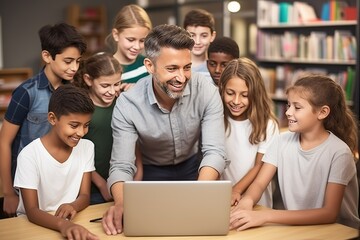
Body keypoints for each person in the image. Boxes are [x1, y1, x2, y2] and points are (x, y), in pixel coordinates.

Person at [102, 24, 228, 235]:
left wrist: (200, 194)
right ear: (150, 66)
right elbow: (122, 166)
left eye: (186, 67)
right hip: (151, 177)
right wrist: (123, 203)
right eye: (171, 69)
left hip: (196, 172)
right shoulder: (127, 104)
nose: (181, 77)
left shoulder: (206, 90)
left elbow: (215, 152)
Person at [229, 74, 360, 230]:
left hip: (339, 232)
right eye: (288, 105)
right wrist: (248, 200)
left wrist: (264, 216)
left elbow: (329, 213)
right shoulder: (281, 141)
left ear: (322, 112)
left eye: (297, 107)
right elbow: (259, 183)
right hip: (297, 228)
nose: (288, 112)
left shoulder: (340, 153)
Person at [0, 22, 86, 217]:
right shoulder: (26, 93)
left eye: (78, 61)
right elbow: (4, 142)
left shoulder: (73, 92)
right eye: (68, 61)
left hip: (61, 184)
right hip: (28, 184)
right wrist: (8, 192)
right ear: (47, 56)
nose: (74, 67)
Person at [13, 84, 99, 240]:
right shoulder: (29, 155)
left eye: (86, 125)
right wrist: (63, 225)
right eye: (74, 125)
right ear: (52, 118)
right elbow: (32, 211)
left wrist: (73, 206)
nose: (81, 133)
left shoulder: (87, 147)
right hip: (33, 225)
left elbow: (85, 195)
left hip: (70, 221)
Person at [72, 52, 143, 205]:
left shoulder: (123, 103)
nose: (112, 91)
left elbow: (133, 139)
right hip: (92, 187)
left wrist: (139, 171)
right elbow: (77, 152)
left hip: (126, 181)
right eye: (105, 86)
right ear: (88, 80)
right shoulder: (81, 108)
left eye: (116, 84)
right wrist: (101, 184)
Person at [219, 58, 279, 208]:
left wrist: (236, 190)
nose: (236, 101)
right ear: (222, 89)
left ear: (255, 93)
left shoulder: (268, 125)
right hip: (222, 200)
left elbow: (260, 166)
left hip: (257, 204)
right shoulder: (216, 119)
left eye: (245, 95)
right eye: (230, 93)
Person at [105, 4, 152, 91]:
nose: (137, 47)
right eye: (131, 40)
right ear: (116, 35)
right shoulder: (105, 67)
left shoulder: (149, 65)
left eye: (142, 40)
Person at [183, 8, 216, 77]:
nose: (197, 42)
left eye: (204, 36)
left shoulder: (216, 70)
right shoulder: (177, 66)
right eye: (192, 35)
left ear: (212, 36)